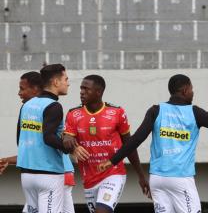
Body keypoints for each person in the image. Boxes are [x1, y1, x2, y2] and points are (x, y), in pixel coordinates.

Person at [98, 74, 208, 213]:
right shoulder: (194, 112)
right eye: (192, 89)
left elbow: (136, 139)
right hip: (181, 179)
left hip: (157, 180)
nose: (193, 92)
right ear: (184, 91)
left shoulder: (156, 110)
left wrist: (113, 160)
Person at [62, 75, 150, 213]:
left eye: (86, 89)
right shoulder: (73, 114)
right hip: (89, 178)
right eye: (81, 88)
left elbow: (130, 145)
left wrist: (141, 175)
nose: (81, 92)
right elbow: (66, 141)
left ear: (99, 92)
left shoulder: (117, 112)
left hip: (113, 174)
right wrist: (70, 143)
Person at [0, 71, 77, 213]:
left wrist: (8, 160)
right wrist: (7, 160)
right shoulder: (49, 107)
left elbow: (31, 145)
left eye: (22, 89)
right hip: (49, 173)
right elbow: (38, 147)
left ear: (36, 89)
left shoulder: (27, 108)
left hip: (51, 173)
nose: (19, 93)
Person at [16, 64, 84, 213]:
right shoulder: (53, 106)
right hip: (49, 175)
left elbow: (19, 139)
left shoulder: (26, 105)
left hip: (27, 175)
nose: (68, 83)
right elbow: (48, 137)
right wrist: (72, 147)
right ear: (56, 82)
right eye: (65, 79)